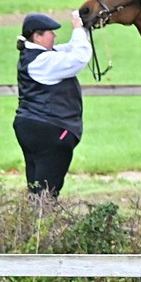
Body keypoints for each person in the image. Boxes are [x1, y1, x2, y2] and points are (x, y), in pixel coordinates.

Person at [14, 11, 91, 198]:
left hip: (31, 126)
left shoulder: (35, 55)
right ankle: (44, 224)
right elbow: (79, 57)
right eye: (50, 32)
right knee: (47, 192)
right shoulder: (42, 61)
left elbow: (71, 48)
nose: (55, 36)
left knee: (36, 188)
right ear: (37, 36)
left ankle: (30, 223)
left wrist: (84, 29)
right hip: (52, 129)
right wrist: (77, 30)